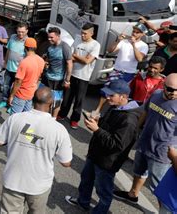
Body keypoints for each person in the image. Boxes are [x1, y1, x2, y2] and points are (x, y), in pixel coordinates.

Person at [65, 79, 142, 213]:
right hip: (96, 155)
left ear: (123, 97)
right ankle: (83, 202)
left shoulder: (129, 120)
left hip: (107, 162)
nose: (107, 98)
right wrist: (97, 122)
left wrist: (96, 130)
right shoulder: (116, 107)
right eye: (107, 94)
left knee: (104, 192)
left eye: (111, 95)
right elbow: (109, 129)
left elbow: (117, 145)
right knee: (86, 180)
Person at [0, 87, 73, 214]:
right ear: (51, 104)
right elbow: (66, 162)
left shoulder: (15, 118)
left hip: (13, 180)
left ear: (32, 100)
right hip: (39, 185)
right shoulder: (59, 130)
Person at [113, 74, 177, 207]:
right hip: (144, 143)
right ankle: (132, 194)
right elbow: (145, 112)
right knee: (139, 171)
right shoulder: (156, 94)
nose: (174, 93)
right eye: (171, 89)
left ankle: (164, 210)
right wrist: (135, 130)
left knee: (159, 186)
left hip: (162, 153)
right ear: (163, 85)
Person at [95, 23, 149, 112]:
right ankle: (98, 110)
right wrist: (118, 40)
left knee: (120, 95)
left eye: (137, 32)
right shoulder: (124, 42)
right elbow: (110, 50)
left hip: (129, 73)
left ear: (142, 34)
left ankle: (114, 111)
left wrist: (134, 45)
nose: (134, 34)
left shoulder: (144, 46)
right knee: (107, 90)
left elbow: (139, 58)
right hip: (116, 70)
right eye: (133, 31)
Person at [57, 23, 100, 129]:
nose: (82, 35)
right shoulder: (77, 40)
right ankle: (62, 114)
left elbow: (87, 61)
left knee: (78, 100)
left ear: (92, 33)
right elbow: (70, 56)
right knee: (66, 97)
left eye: (85, 34)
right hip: (72, 74)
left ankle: (74, 120)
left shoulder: (95, 45)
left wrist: (77, 56)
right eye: (82, 33)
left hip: (83, 77)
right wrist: (80, 58)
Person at [8, 38, 45, 114]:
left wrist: (11, 95)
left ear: (25, 47)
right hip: (32, 93)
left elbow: (18, 81)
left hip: (21, 94)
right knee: (26, 117)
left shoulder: (24, 62)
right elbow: (38, 77)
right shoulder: (41, 60)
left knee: (15, 117)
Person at [0, 23, 28, 109]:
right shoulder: (13, 37)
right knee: (6, 86)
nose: (20, 34)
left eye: (22, 32)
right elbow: (8, 50)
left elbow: (28, 57)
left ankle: (12, 105)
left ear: (27, 31)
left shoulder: (27, 41)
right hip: (9, 68)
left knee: (16, 89)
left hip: (19, 71)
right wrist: (5, 62)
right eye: (19, 31)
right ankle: (4, 101)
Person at [42, 27, 72, 117]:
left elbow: (69, 64)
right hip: (47, 77)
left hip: (58, 79)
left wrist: (67, 80)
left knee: (56, 102)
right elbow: (47, 58)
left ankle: (53, 119)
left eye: (51, 37)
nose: (49, 39)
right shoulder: (49, 45)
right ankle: (45, 117)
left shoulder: (65, 47)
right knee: (45, 99)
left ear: (58, 36)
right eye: (48, 37)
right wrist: (45, 63)